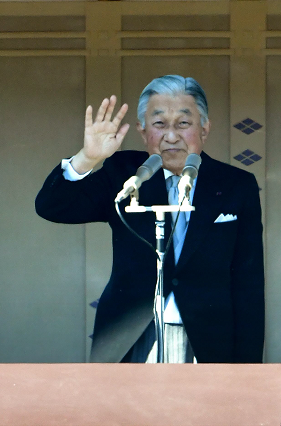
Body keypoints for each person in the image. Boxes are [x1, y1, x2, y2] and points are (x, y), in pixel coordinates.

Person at [35, 75, 264, 363]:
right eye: (159, 124)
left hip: (209, 341)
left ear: (204, 128)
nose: (171, 136)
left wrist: (247, 367)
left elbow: (248, 283)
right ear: (143, 132)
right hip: (133, 337)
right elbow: (52, 207)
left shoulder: (235, 185)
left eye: (183, 123)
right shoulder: (126, 174)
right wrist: (87, 158)